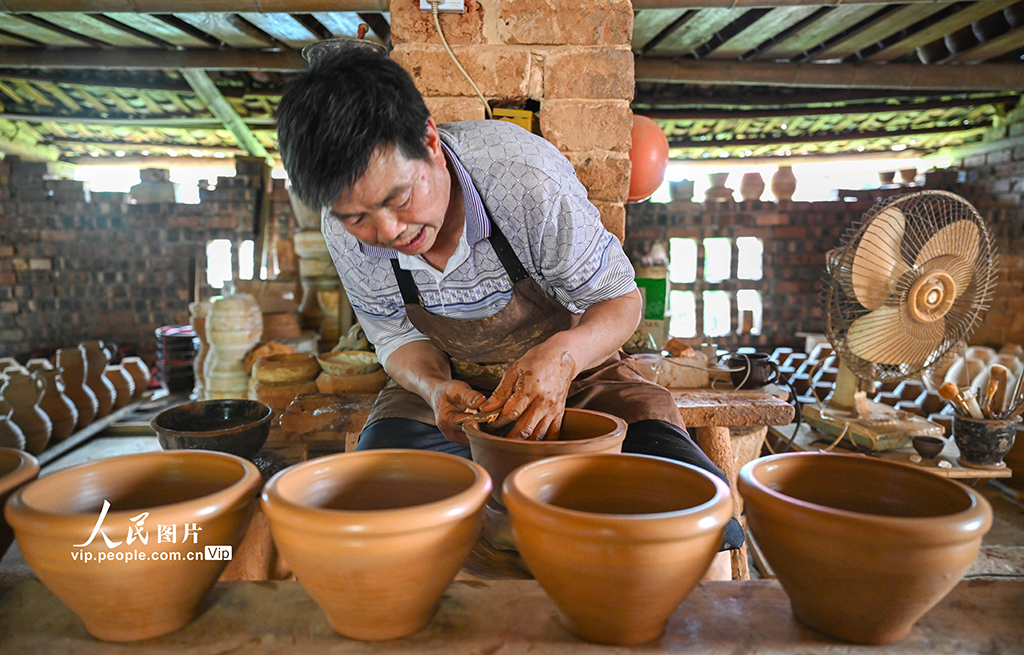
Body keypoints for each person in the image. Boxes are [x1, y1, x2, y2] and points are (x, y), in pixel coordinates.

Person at [276, 44, 743, 550]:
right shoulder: (342, 229)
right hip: (449, 396)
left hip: (578, 375)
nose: (388, 230)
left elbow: (621, 302)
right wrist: (434, 388)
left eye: (400, 199)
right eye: (358, 217)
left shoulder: (525, 182)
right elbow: (393, 335)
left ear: (429, 139)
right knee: (376, 520)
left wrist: (565, 355)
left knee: (701, 520)